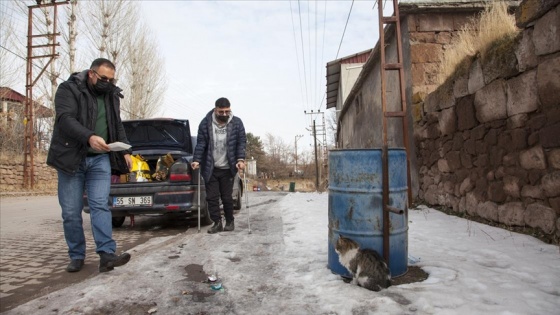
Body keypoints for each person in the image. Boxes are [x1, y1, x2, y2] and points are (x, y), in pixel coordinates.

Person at [47, 58, 133, 273]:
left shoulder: (111, 95)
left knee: (100, 206)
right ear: (92, 74)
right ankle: (76, 255)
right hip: (71, 159)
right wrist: (89, 137)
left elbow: (116, 123)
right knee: (71, 212)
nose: (107, 83)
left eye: (111, 80)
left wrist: (126, 150)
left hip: (99, 159)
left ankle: (106, 255)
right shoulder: (69, 89)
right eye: (104, 78)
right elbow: (65, 119)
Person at [191, 97, 247, 234]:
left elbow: (241, 142)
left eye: (226, 111)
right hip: (211, 167)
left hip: (228, 166)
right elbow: (201, 144)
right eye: (221, 112)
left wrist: (240, 159)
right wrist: (197, 159)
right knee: (211, 197)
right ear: (215, 109)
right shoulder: (205, 123)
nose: (224, 114)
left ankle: (229, 221)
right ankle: (217, 223)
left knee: (227, 197)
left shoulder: (237, 123)